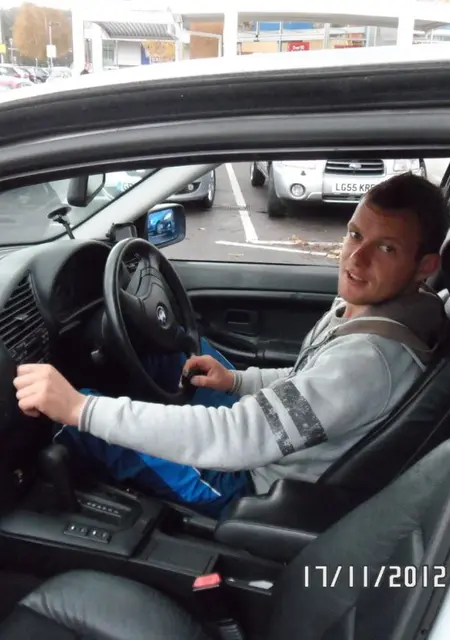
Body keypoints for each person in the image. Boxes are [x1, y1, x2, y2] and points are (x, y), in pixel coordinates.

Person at [13, 172, 450, 517]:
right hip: (275, 445)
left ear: (425, 266)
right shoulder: (395, 308)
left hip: (250, 484)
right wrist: (236, 381)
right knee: (172, 360)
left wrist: (80, 408)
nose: (356, 258)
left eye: (386, 249)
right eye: (355, 235)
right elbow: (307, 379)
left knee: (74, 420)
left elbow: (235, 437)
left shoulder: (368, 360)